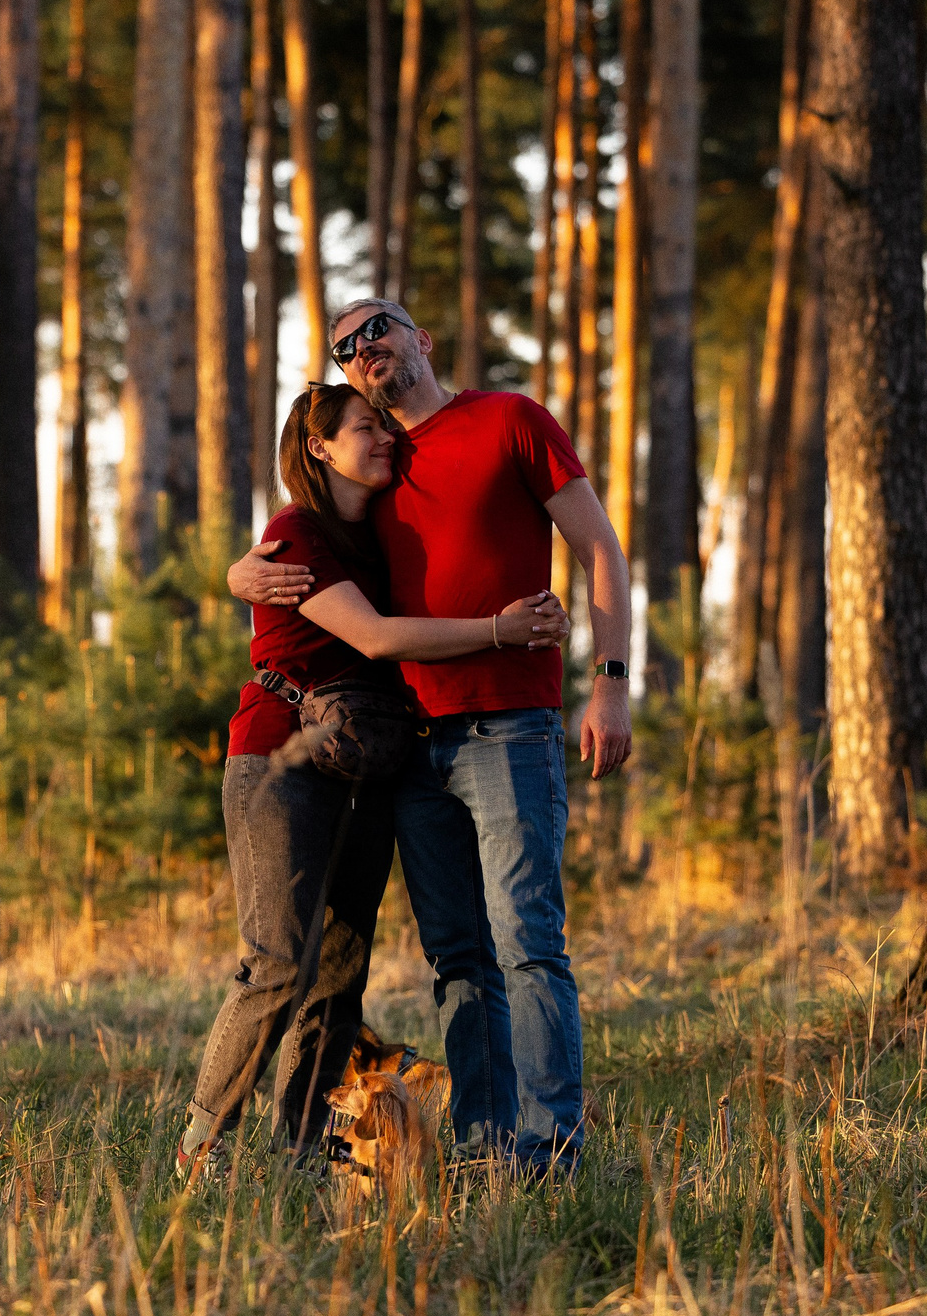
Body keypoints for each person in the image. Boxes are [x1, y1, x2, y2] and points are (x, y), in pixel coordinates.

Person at [229, 298, 632, 1174]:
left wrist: (609, 684)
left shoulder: (510, 420)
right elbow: (299, 538)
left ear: (423, 339)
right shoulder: (374, 467)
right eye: (345, 346)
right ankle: (485, 1144)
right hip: (411, 746)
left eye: (377, 327)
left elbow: (601, 548)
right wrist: (238, 571)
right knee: (457, 958)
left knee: (528, 941)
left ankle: (551, 1145)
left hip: (512, 731)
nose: (363, 348)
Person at [177, 384, 568, 1176]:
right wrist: (501, 630)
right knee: (279, 960)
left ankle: (300, 1154)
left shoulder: (377, 535)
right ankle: (202, 1144)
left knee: (339, 973)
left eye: (385, 424)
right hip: (280, 761)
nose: (385, 436)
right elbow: (378, 637)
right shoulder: (295, 532)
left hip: (363, 770)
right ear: (320, 448)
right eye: (367, 427)